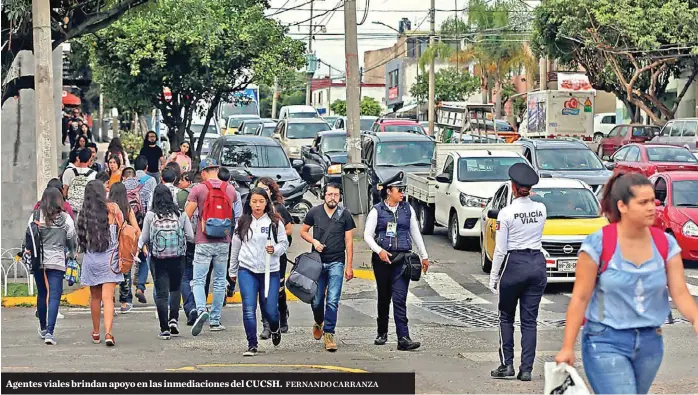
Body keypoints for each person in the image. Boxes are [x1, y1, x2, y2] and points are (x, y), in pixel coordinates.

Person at [555, 172, 698, 394]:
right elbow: (580, 298)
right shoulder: (599, 243)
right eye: (643, 202)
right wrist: (567, 347)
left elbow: (680, 292)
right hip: (604, 341)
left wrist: (695, 317)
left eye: (653, 200)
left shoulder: (665, 244)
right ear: (622, 206)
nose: (651, 207)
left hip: (650, 343)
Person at [487, 163, 547, 381]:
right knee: (530, 321)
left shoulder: (506, 213)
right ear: (529, 188)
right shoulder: (541, 209)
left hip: (515, 264)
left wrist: (494, 277)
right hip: (537, 263)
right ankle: (527, 369)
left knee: (506, 317)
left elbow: (501, 250)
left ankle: (507, 364)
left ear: (513, 187)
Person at [363, 173, 429, 351]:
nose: (402, 193)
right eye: (399, 190)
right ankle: (382, 332)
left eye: (403, 190)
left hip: (402, 259)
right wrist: (380, 251)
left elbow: (415, 232)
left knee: (399, 298)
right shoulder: (377, 210)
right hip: (383, 259)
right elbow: (367, 235)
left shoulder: (407, 209)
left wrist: (424, 255)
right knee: (384, 297)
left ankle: (403, 338)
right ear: (388, 192)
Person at [229, 187, 289, 356]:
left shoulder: (275, 221)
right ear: (249, 202)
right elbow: (236, 247)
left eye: (261, 201)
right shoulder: (242, 222)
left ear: (267, 203)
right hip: (247, 269)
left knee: (270, 309)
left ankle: (275, 327)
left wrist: (275, 249)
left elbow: (284, 244)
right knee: (248, 307)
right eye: (254, 201)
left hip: (270, 271)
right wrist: (232, 271)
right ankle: (252, 344)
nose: (257, 205)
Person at [185, 158, 239, 335]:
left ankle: (201, 311)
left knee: (199, 280)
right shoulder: (230, 189)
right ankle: (215, 320)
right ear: (217, 169)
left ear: (202, 172)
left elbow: (188, 214)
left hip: (203, 241)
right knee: (219, 282)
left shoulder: (198, 188)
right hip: (224, 241)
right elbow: (235, 213)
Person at [301, 183, 356, 352]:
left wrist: (349, 266)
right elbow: (303, 231)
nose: (333, 198)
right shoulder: (314, 212)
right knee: (317, 300)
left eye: (336, 195)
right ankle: (319, 321)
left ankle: (329, 333)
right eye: (330, 194)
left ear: (340, 197)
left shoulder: (345, 215)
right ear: (324, 195)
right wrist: (314, 242)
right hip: (317, 262)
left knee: (332, 299)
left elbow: (349, 241)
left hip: (336, 262)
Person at [139, 184, 194, 339]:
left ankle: (164, 329)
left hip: (158, 258)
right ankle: (173, 320)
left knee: (162, 294)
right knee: (175, 289)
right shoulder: (181, 214)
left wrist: (138, 248)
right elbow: (190, 236)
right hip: (178, 257)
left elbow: (145, 237)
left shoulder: (151, 216)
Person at [77, 180, 125, 347]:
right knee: (108, 298)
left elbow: (81, 239)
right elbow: (122, 230)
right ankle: (109, 333)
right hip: (110, 260)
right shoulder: (113, 208)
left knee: (95, 298)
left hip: (91, 260)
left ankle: (96, 332)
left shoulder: (84, 213)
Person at [29, 186, 77, 345]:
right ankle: (50, 332)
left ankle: (43, 328)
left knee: (42, 293)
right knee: (55, 295)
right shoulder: (65, 218)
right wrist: (71, 252)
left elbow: (29, 234)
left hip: (39, 261)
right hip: (56, 260)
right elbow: (71, 238)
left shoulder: (36, 215)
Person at [256, 177, 294, 337]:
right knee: (263, 290)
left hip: (277, 255)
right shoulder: (255, 210)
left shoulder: (279, 209)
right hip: (259, 256)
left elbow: (289, 229)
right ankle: (266, 324)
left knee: (278, 289)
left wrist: (277, 237)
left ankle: (282, 316)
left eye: (265, 189)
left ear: (271, 191)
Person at [108, 182, 141, 314]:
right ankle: (124, 302)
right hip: (124, 245)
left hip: (109, 246)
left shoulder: (108, 208)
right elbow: (136, 229)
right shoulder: (127, 208)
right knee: (125, 272)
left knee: (110, 275)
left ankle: (110, 302)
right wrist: (138, 243)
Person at [62, 149, 97, 219]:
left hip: (70, 209)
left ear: (78, 158)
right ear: (90, 159)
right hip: (85, 209)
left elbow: (64, 192)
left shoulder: (68, 172)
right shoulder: (94, 174)